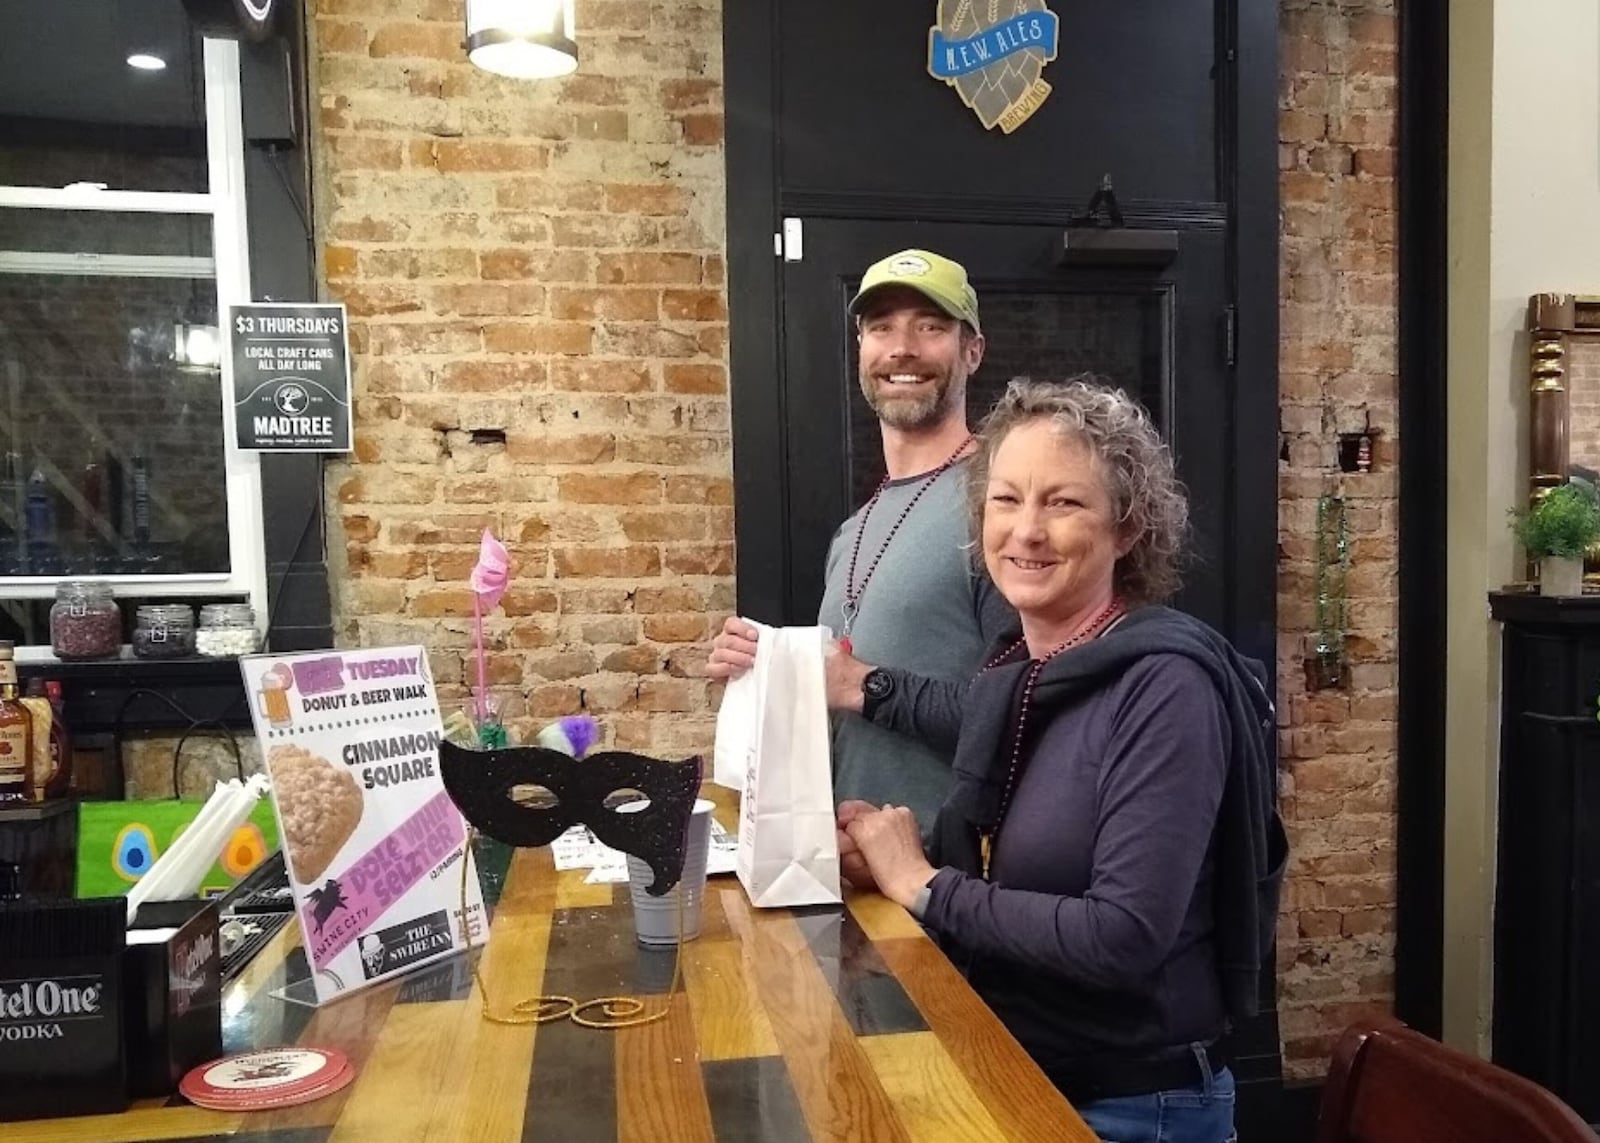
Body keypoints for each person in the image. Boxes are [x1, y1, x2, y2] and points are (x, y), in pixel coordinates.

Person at [833, 379, 1286, 1143]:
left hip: (1134, 1106)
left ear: (1128, 526)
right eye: (1006, 500)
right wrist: (884, 854)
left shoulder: (1164, 687)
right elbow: (1006, 864)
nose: (1027, 530)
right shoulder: (1019, 670)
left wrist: (924, 884)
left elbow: (1122, 935)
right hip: (1017, 1066)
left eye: (1064, 503)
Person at [708, 249, 1014, 831]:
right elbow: (840, 712)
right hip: (848, 875)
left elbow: (1028, 715)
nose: (903, 347)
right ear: (861, 351)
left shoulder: (1003, 506)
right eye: (882, 327)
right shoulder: (855, 531)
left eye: (930, 326)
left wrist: (863, 685)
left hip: (949, 891)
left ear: (972, 351)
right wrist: (767, 671)